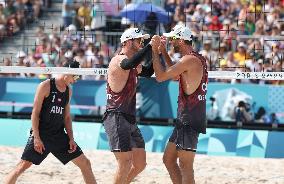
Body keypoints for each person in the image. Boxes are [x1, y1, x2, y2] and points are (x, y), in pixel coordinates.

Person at [4, 61, 97, 184]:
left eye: (78, 77)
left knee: (85, 163)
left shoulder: (69, 91)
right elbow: (35, 113)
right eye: (75, 76)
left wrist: (71, 138)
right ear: (67, 72)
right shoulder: (45, 86)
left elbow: (67, 117)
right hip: (42, 135)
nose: (76, 80)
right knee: (21, 166)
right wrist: (36, 138)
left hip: (59, 135)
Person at [151, 24, 208, 184]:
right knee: (168, 159)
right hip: (187, 117)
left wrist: (155, 51)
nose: (171, 42)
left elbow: (160, 77)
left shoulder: (189, 60)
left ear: (182, 41)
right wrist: (163, 53)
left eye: (173, 39)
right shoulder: (196, 58)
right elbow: (176, 76)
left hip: (190, 118)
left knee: (185, 165)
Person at [103, 27, 154, 184]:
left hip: (129, 117)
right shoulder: (118, 60)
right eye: (139, 40)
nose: (142, 42)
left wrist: (157, 50)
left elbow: (148, 71)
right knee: (125, 162)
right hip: (116, 116)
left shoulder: (134, 65)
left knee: (140, 164)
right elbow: (129, 63)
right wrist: (150, 46)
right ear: (128, 41)